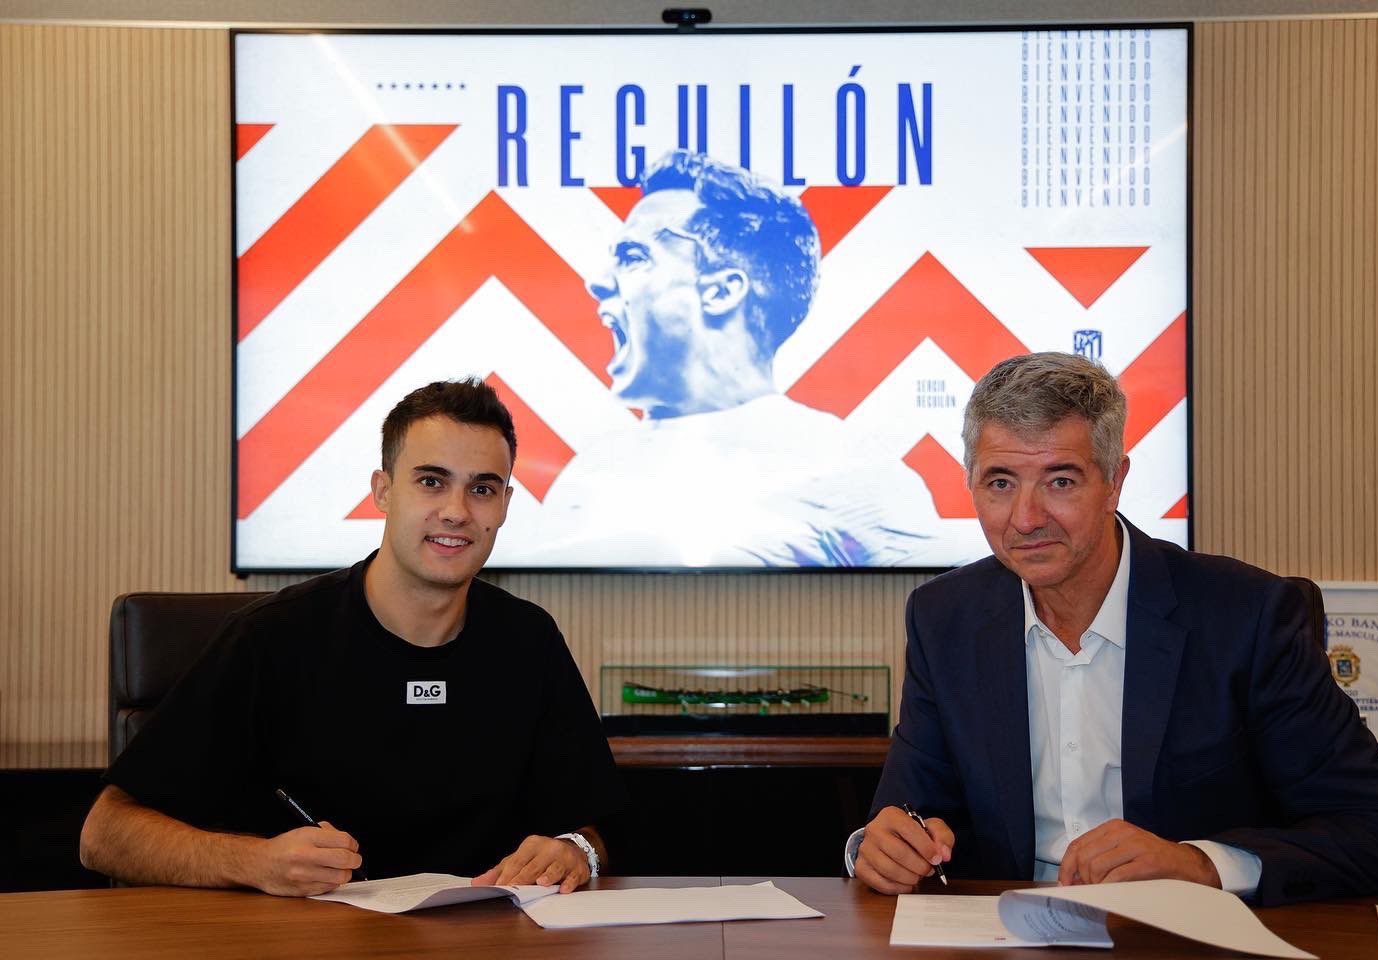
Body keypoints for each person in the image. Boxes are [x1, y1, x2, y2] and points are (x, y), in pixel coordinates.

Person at [848, 352, 1378, 905]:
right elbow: (905, 817)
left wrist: (1200, 865)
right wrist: (875, 848)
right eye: (1000, 482)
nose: (1025, 519)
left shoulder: (1246, 616)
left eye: (1060, 481)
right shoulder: (944, 618)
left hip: (1184, 941)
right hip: (1001, 936)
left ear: (1114, 482)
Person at [80, 379, 625, 896]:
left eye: (482, 489)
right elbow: (104, 834)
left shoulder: (529, 640)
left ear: (505, 504)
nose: (456, 512)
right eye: (431, 482)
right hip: (307, 940)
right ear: (382, 491)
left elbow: (596, 828)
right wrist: (254, 862)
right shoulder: (271, 637)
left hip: (485, 937)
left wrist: (576, 850)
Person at [537, 149, 940, 567]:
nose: (597, 282)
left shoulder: (852, 470)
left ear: (722, 291)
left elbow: (930, 603)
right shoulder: (588, 474)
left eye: (634, 258)